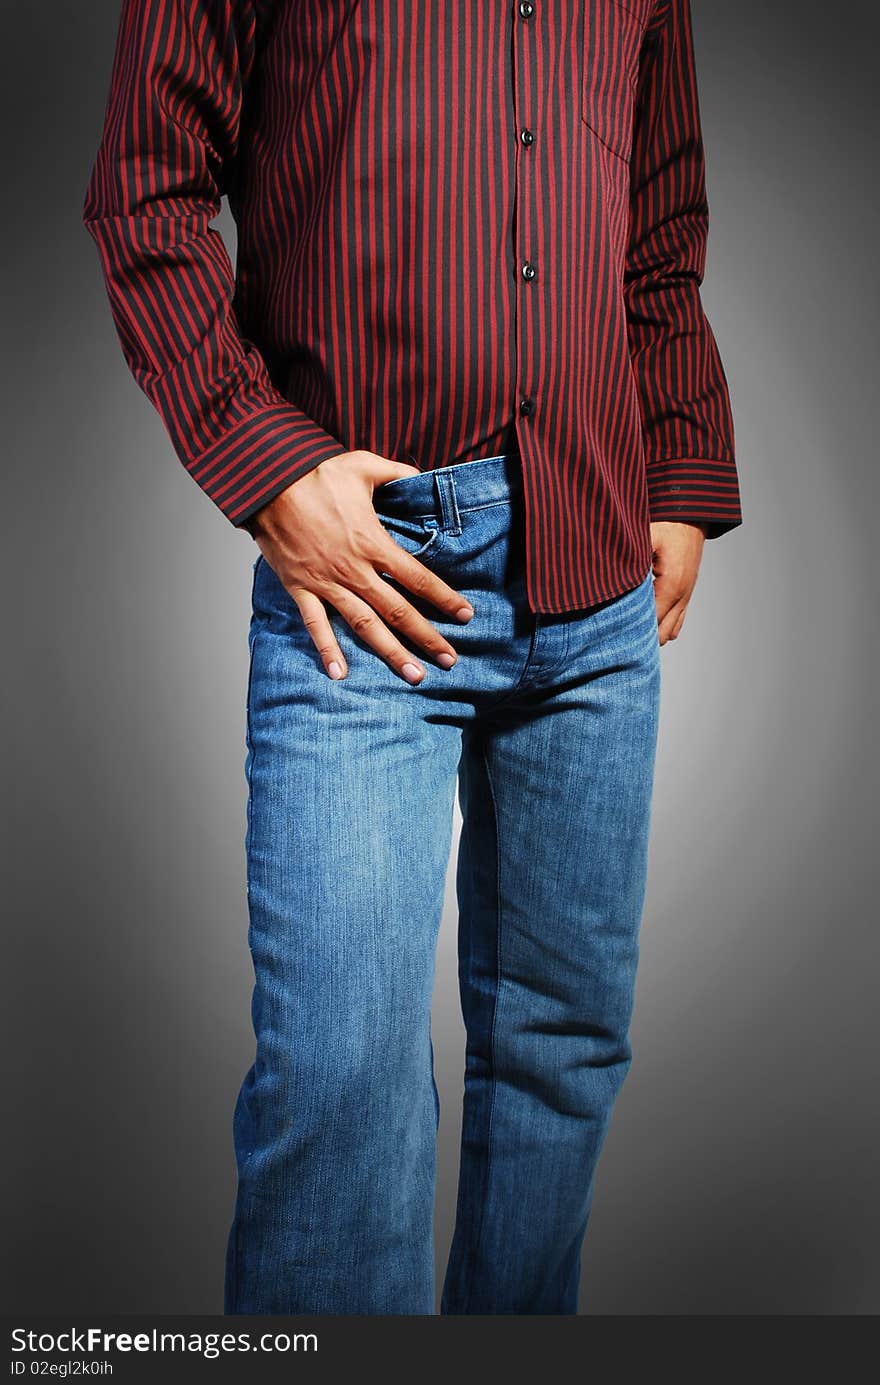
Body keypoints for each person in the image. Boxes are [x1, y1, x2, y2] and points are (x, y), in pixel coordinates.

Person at [82, 0, 742, 1315]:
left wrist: (678, 466)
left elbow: (660, 224)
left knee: (563, 1050)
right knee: (339, 1081)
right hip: (368, 579)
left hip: (597, 564)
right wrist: (265, 464)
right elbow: (144, 189)